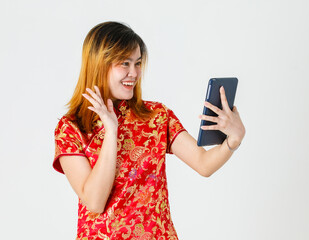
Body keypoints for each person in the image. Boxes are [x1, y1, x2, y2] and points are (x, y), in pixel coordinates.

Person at [53, 21, 245, 239]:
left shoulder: (157, 115)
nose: (134, 73)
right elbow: (95, 202)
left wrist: (233, 140)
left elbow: (203, 163)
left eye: (138, 63)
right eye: (124, 63)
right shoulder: (71, 128)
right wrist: (111, 130)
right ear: (98, 64)